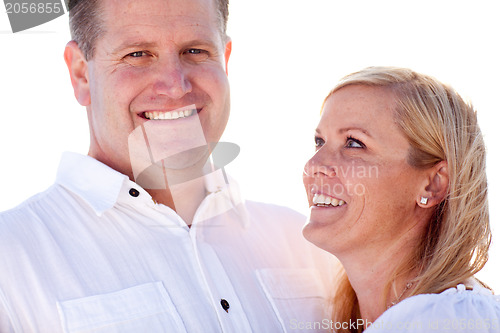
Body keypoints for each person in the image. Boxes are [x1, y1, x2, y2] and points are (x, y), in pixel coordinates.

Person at [0, 0, 333, 331]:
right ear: (81, 74)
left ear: (225, 60)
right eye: (137, 54)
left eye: (195, 51)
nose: (176, 85)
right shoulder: (11, 260)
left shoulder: (309, 246)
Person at [302, 66, 500, 332]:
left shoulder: (449, 321)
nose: (314, 164)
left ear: (432, 184)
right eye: (319, 141)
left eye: (353, 143)